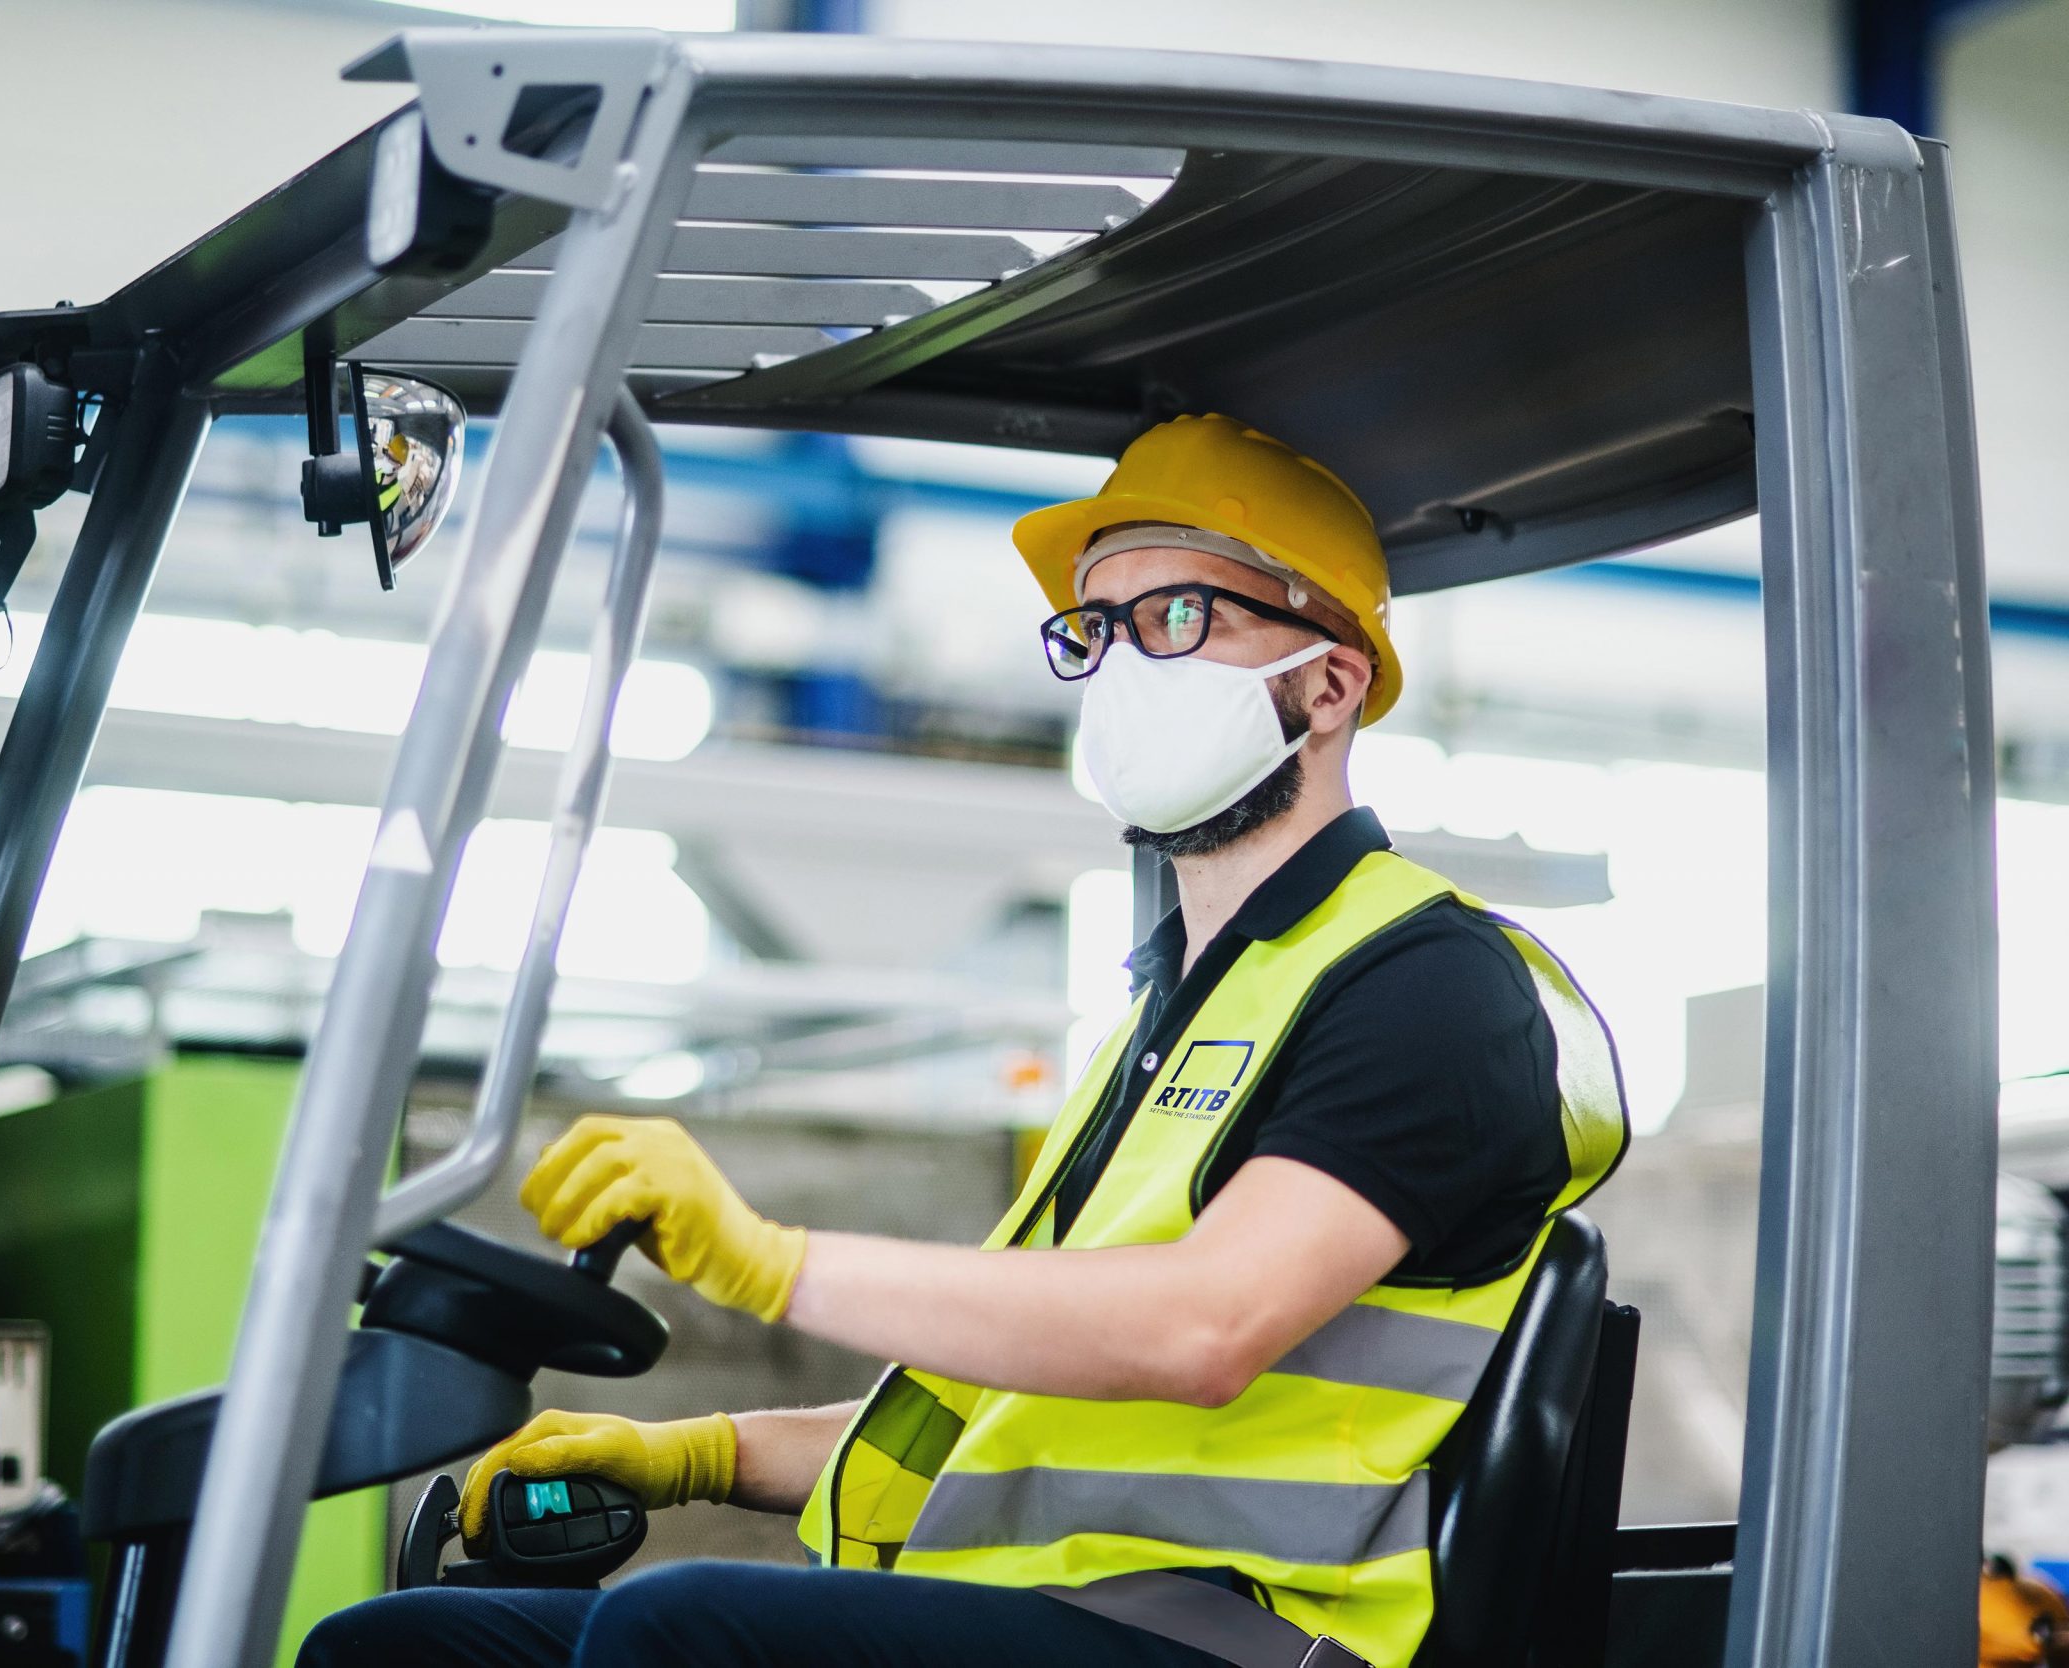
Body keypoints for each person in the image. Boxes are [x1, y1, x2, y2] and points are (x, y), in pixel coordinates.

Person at [302, 414, 1628, 1668]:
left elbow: (1206, 1326)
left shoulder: (1425, 983)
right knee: (405, 1648)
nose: (1118, 665)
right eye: (1092, 630)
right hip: (1041, 1615)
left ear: (1330, 681)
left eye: (1173, 618)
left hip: (1235, 1639)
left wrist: (772, 1264)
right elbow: (1003, 1437)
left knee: (679, 1637)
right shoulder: (1176, 1013)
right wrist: (697, 1453)